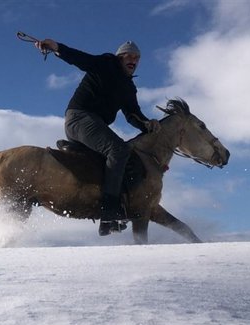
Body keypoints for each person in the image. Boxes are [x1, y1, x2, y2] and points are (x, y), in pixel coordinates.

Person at [35, 38, 161, 236]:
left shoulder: (128, 88)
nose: (133, 59)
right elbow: (83, 60)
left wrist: (147, 124)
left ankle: (106, 204)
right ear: (120, 57)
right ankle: (109, 213)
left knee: (112, 158)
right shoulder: (106, 64)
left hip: (94, 125)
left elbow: (132, 115)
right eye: (128, 55)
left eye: (136, 57)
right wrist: (57, 48)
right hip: (79, 117)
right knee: (119, 150)